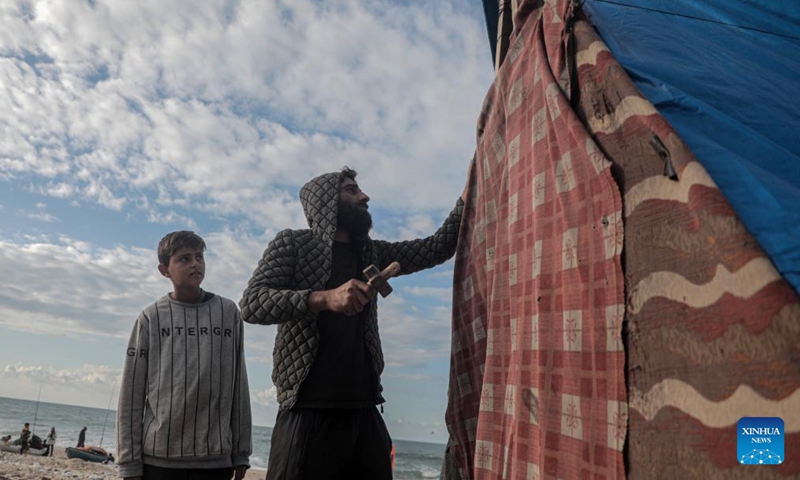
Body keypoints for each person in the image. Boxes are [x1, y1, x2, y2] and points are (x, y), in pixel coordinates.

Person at [240, 166, 467, 480]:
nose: (364, 196)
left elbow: (437, 246)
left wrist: (469, 192)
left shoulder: (372, 251)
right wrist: (324, 298)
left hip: (365, 408)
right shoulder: (293, 244)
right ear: (325, 202)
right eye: (351, 190)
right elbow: (252, 304)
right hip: (307, 410)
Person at [116, 231, 253, 480]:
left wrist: (242, 451)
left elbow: (238, 384)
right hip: (159, 461)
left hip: (215, 462)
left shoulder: (228, 313)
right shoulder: (150, 318)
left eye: (199, 257)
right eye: (184, 259)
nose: (195, 264)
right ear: (164, 270)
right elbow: (131, 394)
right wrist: (128, 462)